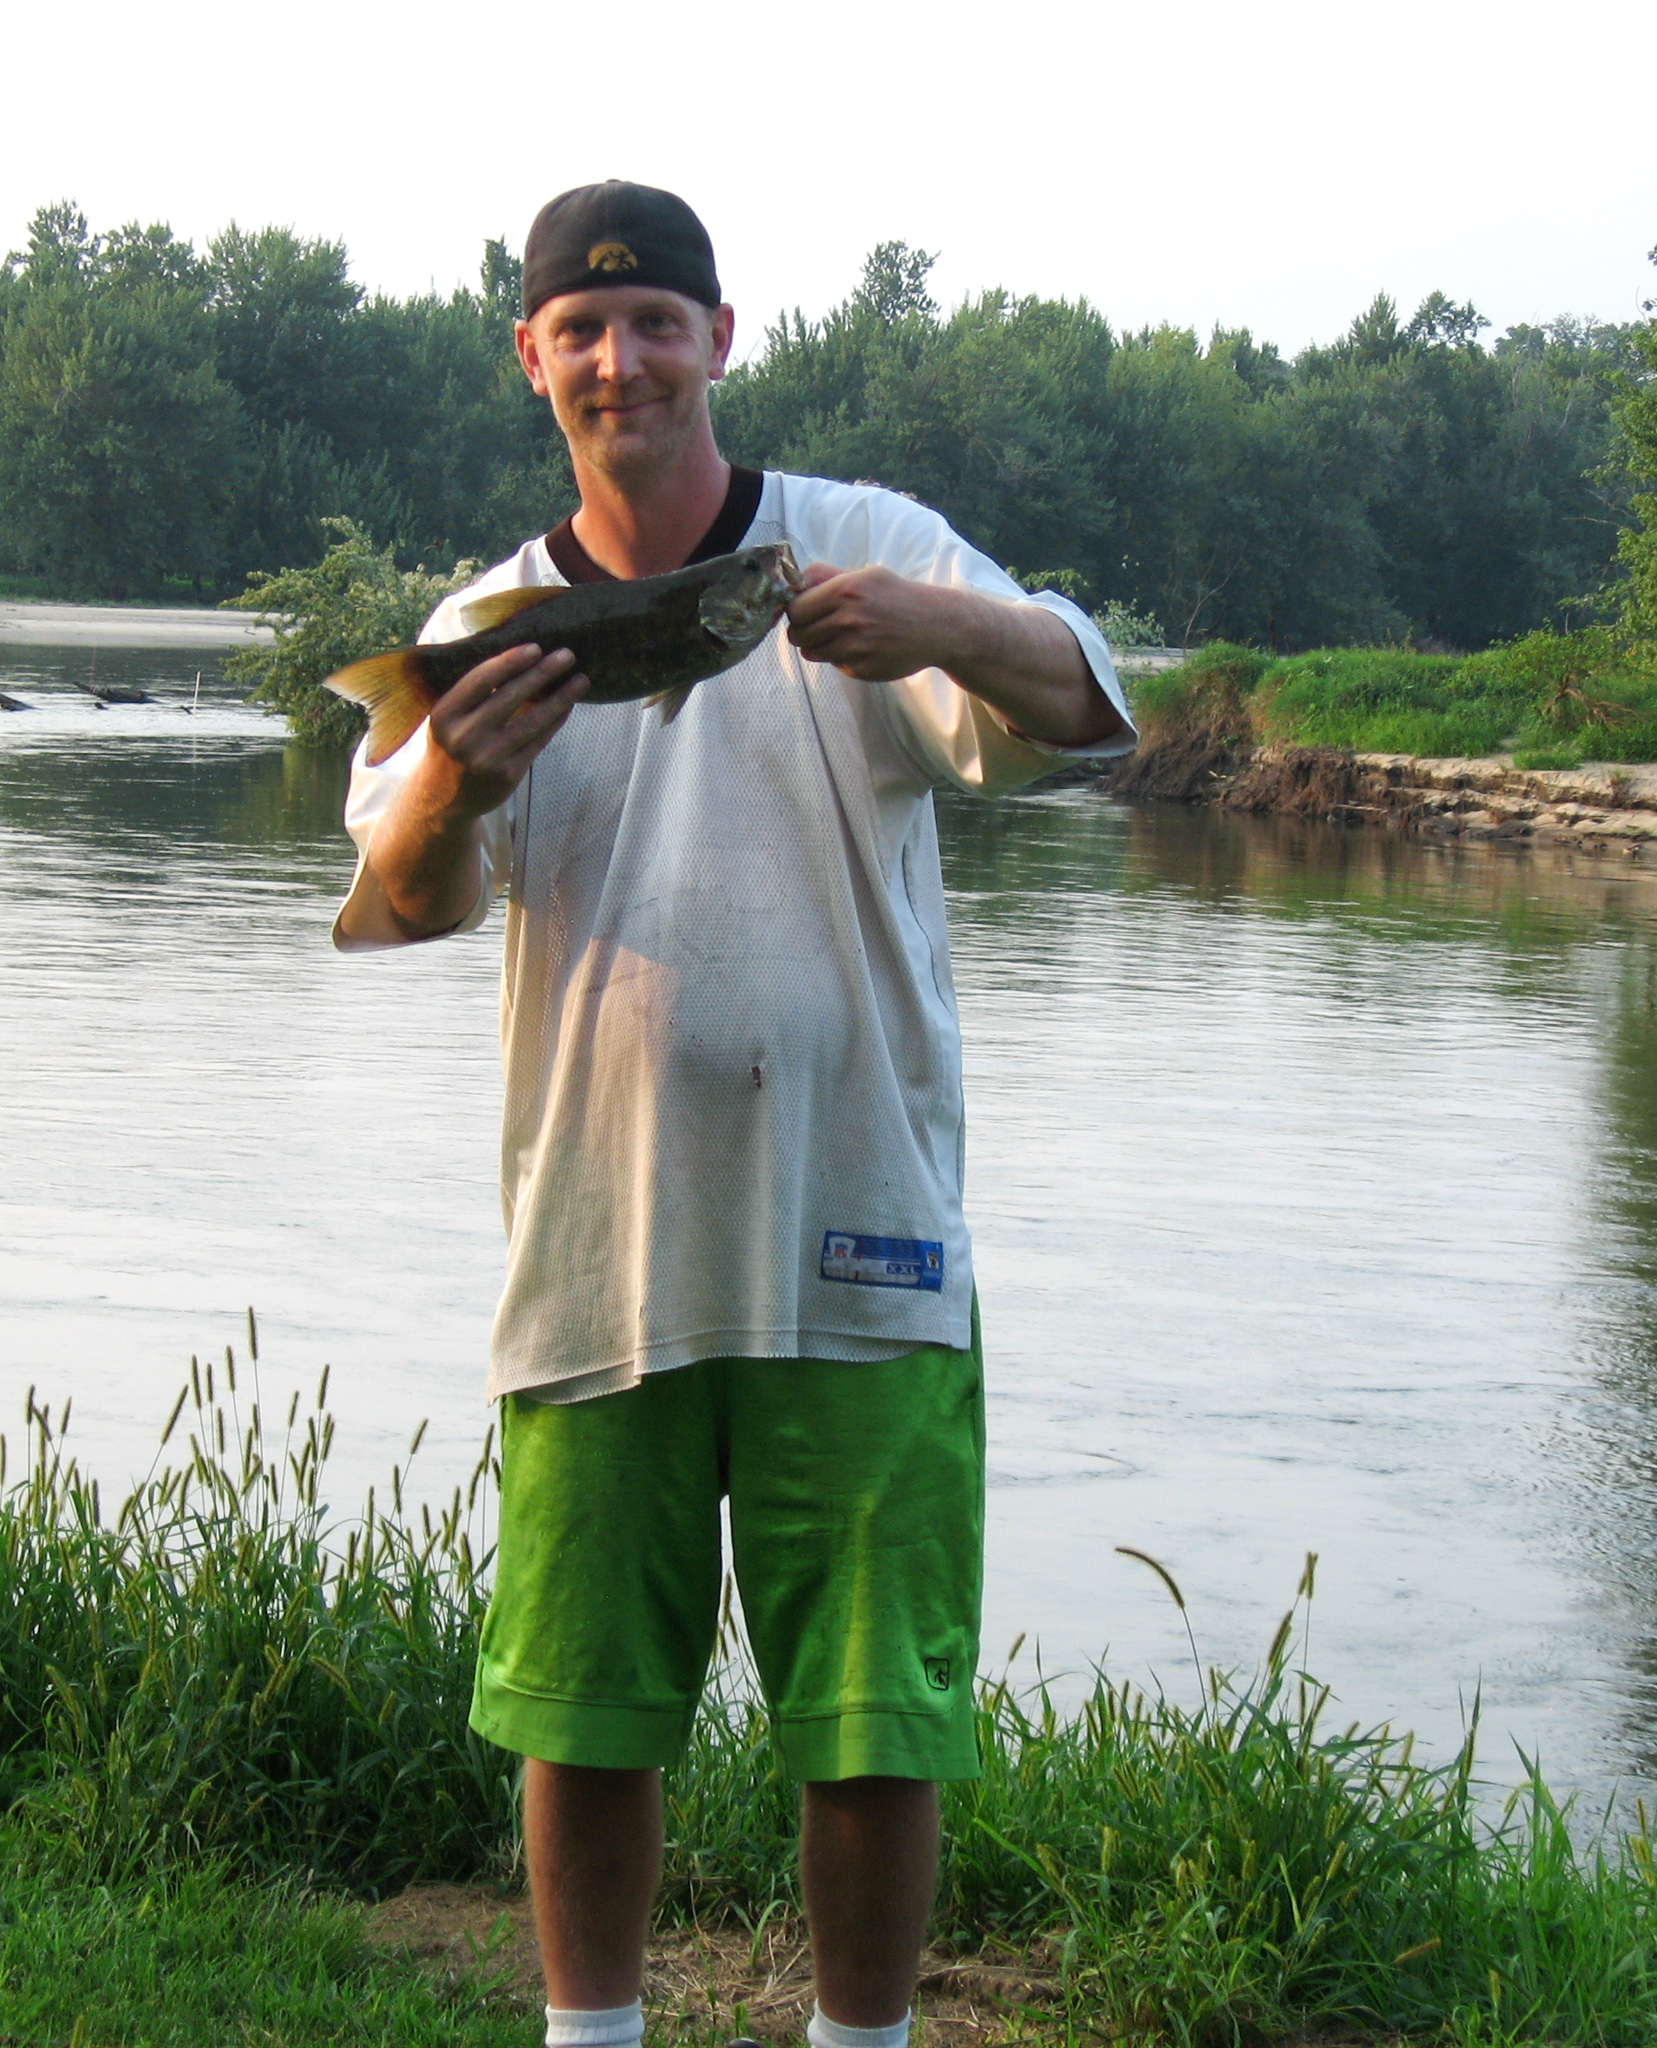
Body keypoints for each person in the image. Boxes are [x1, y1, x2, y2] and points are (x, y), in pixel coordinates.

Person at [334, 181, 1134, 2048]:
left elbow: (1089, 702)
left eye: (659, 322)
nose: (625, 360)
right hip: (597, 1253)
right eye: (583, 332)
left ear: (720, 339)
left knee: (870, 1715)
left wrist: (927, 618)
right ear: (535, 362)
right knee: (583, 1703)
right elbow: (395, 901)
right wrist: (449, 769)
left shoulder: (863, 544)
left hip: (867, 1236)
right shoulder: (485, 625)